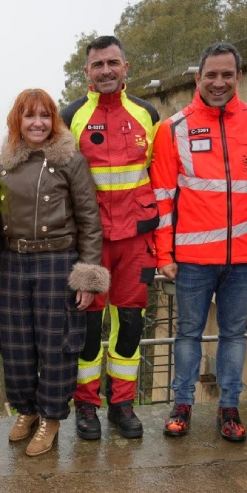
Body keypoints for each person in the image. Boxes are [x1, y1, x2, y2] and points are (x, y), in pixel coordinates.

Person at [150, 42, 247, 442]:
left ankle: (229, 408)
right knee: (188, 334)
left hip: (244, 258)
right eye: (211, 74)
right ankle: (183, 405)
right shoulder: (174, 128)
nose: (219, 82)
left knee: (234, 334)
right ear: (198, 78)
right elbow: (162, 197)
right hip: (191, 259)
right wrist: (164, 253)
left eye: (227, 74)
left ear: (239, 77)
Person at [59, 35, 159, 440]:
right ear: (86, 72)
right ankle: (86, 406)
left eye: (112, 63)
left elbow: (160, 176)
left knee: (131, 325)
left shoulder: (147, 114)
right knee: (86, 327)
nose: (105, 71)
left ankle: (122, 404)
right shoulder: (71, 116)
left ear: (125, 67)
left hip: (137, 240)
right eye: (97, 65)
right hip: (91, 244)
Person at [0, 89, 107, 456]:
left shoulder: (71, 161)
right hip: (14, 263)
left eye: (45, 116)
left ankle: (52, 417)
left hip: (58, 262)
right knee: (15, 345)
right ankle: (26, 411)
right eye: (29, 116)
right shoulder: (6, 163)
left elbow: (90, 220)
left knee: (56, 346)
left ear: (54, 120)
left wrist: (87, 277)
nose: (38, 123)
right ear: (18, 121)